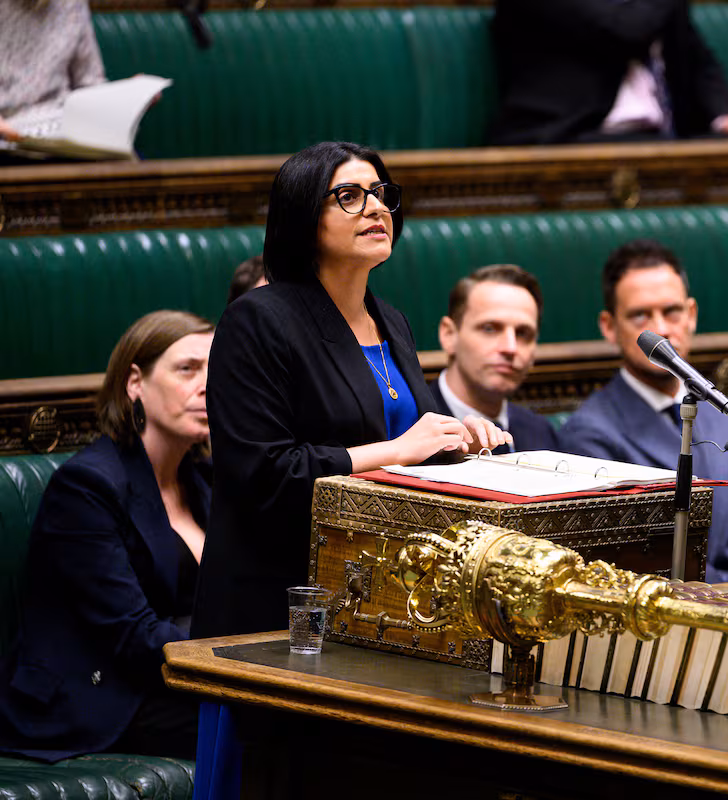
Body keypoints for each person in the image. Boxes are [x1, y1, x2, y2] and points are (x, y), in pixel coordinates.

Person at [192, 141, 510, 639]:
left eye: (381, 193)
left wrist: (455, 441)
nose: (376, 207)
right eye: (349, 195)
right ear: (303, 216)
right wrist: (399, 449)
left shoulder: (392, 321)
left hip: (379, 597)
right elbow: (265, 474)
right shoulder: (259, 319)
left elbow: (408, 449)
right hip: (278, 603)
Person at [0, 310, 214, 761]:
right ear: (134, 382)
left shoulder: (206, 482)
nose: (207, 386)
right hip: (101, 696)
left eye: (217, 370)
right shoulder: (86, 487)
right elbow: (132, 636)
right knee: (269, 730)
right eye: (188, 369)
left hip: (176, 680)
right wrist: (241, 657)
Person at [558, 239, 728, 583]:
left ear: (691, 315)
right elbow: (634, 557)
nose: (662, 329)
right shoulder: (590, 434)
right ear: (609, 327)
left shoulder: (724, 412)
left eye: (672, 312)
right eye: (641, 316)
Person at [488, 0, 728, 146]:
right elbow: (628, 28)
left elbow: (697, 57)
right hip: (564, 141)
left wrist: (722, 116)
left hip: (658, 141)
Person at [432, 264, 560, 454]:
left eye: (523, 334)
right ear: (449, 335)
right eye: (490, 328)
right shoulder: (409, 424)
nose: (510, 348)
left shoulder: (540, 433)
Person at [0, 0, 106, 159]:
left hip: (61, 130)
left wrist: (126, 97)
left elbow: (90, 83)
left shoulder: (73, 5)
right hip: (6, 133)